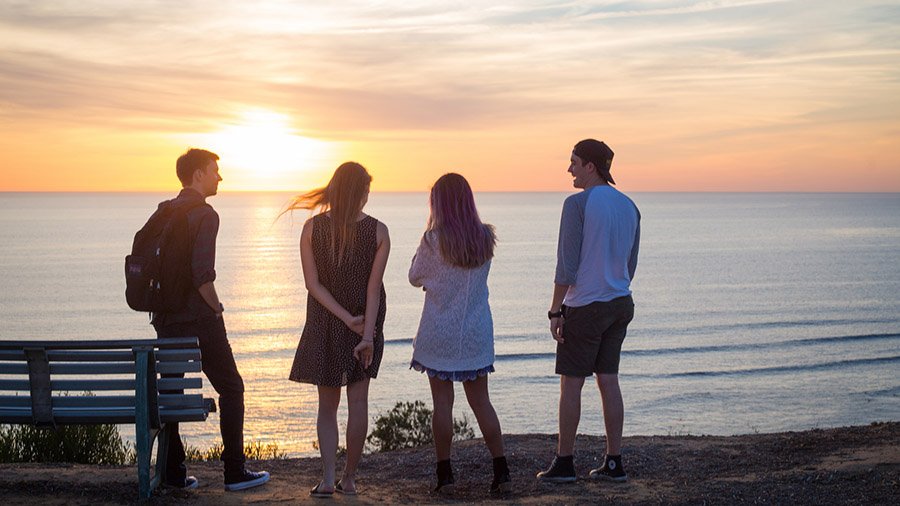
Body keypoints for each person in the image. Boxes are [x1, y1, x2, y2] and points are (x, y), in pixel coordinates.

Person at [152, 148, 270, 491]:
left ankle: (174, 474)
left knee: (170, 392)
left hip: (166, 319)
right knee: (232, 388)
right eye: (214, 170)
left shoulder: (164, 211)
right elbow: (202, 275)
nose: (220, 176)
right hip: (200, 319)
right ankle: (234, 472)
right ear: (198, 175)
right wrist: (217, 308)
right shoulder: (205, 214)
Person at [537, 139, 641, 484]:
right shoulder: (630, 206)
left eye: (574, 162)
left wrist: (556, 311)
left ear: (590, 167)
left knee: (571, 384)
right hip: (620, 302)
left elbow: (566, 266)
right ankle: (614, 463)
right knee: (608, 380)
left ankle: (565, 463)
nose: (569, 169)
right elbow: (630, 264)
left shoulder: (577, 204)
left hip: (586, 304)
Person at [284, 162, 390, 498]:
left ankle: (328, 479)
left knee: (326, 406)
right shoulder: (378, 231)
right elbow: (373, 289)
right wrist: (366, 334)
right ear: (359, 192)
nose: (368, 197)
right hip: (365, 321)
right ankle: (350, 479)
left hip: (326, 322)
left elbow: (312, 285)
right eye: (366, 191)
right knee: (358, 402)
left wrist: (344, 318)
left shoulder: (312, 228)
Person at [409, 173, 511, 494]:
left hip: (440, 331)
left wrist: (433, 279)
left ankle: (445, 477)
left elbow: (414, 276)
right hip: (476, 331)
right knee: (482, 403)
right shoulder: (485, 238)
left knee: (442, 403)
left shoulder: (433, 240)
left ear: (438, 203)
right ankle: (502, 471)